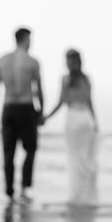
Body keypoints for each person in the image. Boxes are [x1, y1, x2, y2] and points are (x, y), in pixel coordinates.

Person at [0, 27, 44, 202]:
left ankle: (9, 190)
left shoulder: (1, 61)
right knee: (31, 149)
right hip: (26, 107)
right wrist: (41, 111)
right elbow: (38, 88)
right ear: (25, 39)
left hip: (8, 107)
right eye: (30, 39)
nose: (31, 43)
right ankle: (24, 188)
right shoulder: (32, 62)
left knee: (8, 151)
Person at [44, 49, 98, 205]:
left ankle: (77, 195)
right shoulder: (86, 79)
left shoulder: (66, 79)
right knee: (85, 159)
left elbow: (60, 103)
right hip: (86, 119)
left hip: (73, 118)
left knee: (75, 159)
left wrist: (47, 117)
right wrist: (95, 123)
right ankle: (86, 195)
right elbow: (90, 102)